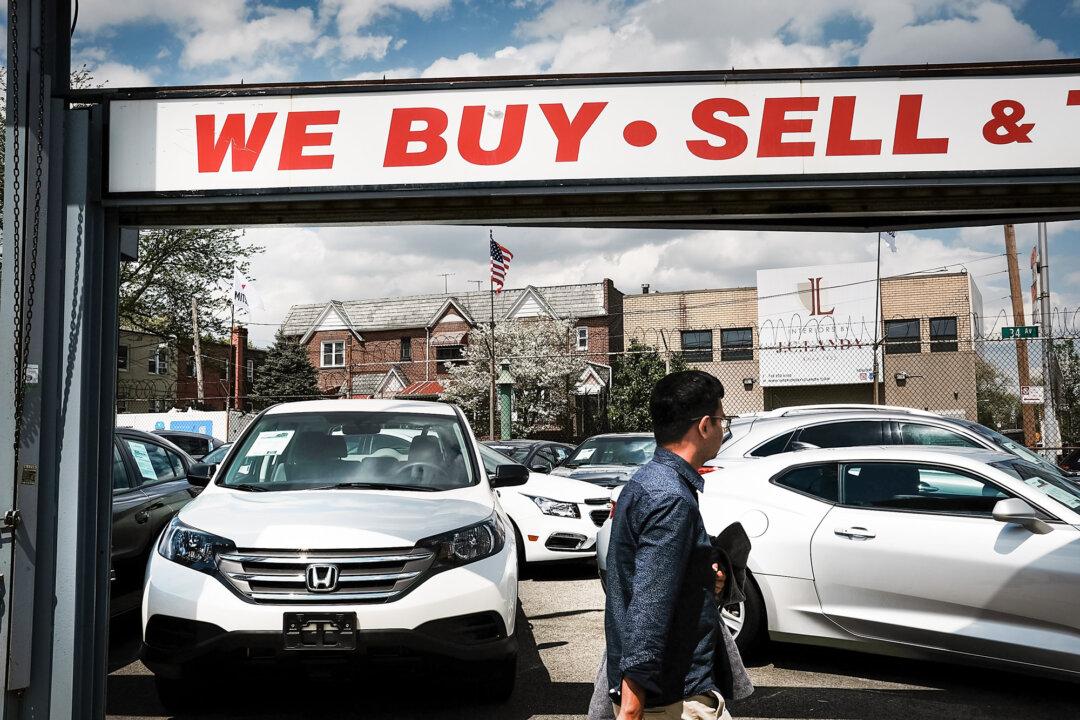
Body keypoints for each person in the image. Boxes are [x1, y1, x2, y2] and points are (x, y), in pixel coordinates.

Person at [604, 370, 731, 720]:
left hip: (666, 690)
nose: (724, 429)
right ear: (704, 426)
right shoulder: (670, 498)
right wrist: (632, 706)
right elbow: (650, 603)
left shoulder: (648, 482)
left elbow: (640, 576)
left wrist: (703, 575)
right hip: (673, 698)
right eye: (722, 420)